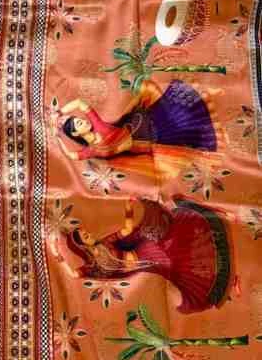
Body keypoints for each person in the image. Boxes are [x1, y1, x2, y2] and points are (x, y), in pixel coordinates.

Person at [59, 196, 235, 314]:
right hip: (146, 267)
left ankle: (216, 252)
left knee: (177, 254)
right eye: (85, 236)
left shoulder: (105, 243)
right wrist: (56, 255)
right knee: (176, 270)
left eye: (86, 233)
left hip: (145, 252)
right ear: (82, 245)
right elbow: (74, 274)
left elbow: (127, 230)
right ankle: (223, 281)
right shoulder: (92, 267)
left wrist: (128, 208)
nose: (89, 235)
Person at [55, 79, 222, 184]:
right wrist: (58, 139)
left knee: (176, 117)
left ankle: (206, 95)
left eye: (81, 120)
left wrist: (60, 112)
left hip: (139, 127)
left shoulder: (97, 125)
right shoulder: (91, 150)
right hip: (141, 145)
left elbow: (79, 103)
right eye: (79, 123)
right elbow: (71, 156)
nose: (84, 121)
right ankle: (204, 127)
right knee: (178, 137)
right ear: (76, 134)